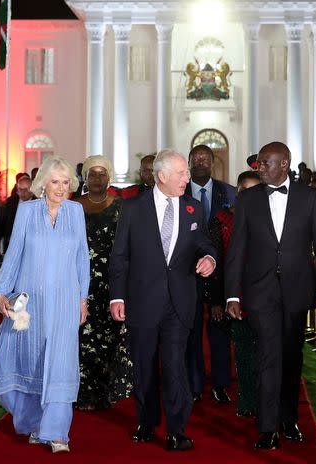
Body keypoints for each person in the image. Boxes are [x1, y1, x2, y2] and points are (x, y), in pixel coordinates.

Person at [0, 156, 90, 453]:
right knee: (27, 359)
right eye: (55, 182)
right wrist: (2, 291)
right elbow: (14, 253)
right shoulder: (27, 211)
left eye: (66, 183)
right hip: (31, 304)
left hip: (65, 301)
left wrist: (83, 299)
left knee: (61, 362)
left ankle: (57, 432)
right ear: (43, 185)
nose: (61, 188)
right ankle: (32, 420)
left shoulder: (76, 212)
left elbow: (82, 259)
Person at [225, 141, 316, 450]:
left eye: (265, 163)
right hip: (260, 292)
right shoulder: (247, 199)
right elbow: (237, 250)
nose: (259, 168)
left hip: (298, 290)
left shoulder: (310, 198)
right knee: (268, 355)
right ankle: (268, 426)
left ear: (284, 164)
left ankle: (289, 418)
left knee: (291, 356)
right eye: (258, 163)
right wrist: (232, 295)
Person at [109, 149, 217, 452]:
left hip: (180, 302)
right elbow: (120, 257)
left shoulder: (193, 209)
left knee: (174, 366)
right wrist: (117, 296)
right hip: (142, 301)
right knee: (143, 366)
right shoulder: (132, 209)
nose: (187, 177)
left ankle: (176, 429)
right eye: (182, 173)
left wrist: (209, 258)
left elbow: (205, 244)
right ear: (162, 176)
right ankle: (145, 421)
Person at [74, 155, 133, 410]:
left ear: (109, 177)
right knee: (83, 338)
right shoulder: (74, 206)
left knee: (110, 336)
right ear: (85, 178)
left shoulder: (122, 206)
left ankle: (108, 392)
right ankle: (84, 393)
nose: (97, 178)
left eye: (102, 173)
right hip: (80, 281)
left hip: (113, 281)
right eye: (92, 174)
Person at [184, 144, 236, 405]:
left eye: (206, 158)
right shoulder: (179, 192)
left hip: (222, 272)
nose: (201, 162)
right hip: (187, 273)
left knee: (219, 331)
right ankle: (193, 385)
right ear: (190, 161)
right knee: (191, 332)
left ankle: (220, 384)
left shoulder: (229, 193)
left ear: (213, 162)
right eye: (197, 158)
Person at [207, 170, 260, 418]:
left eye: (255, 190)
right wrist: (217, 300)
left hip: (263, 297)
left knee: (263, 353)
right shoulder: (222, 219)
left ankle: (263, 400)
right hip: (234, 297)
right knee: (242, 352)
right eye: (245, 189)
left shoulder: (268, 217)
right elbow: (215, 263)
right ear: (237, 191)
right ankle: (246, 401)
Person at [0, 174, 35, 254]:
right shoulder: (11, 202)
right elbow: (2, 222)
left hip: (31, 248)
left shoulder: (38, 204)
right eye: (20, 189)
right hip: (11, 245)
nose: (22, 193)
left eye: (25, 190)